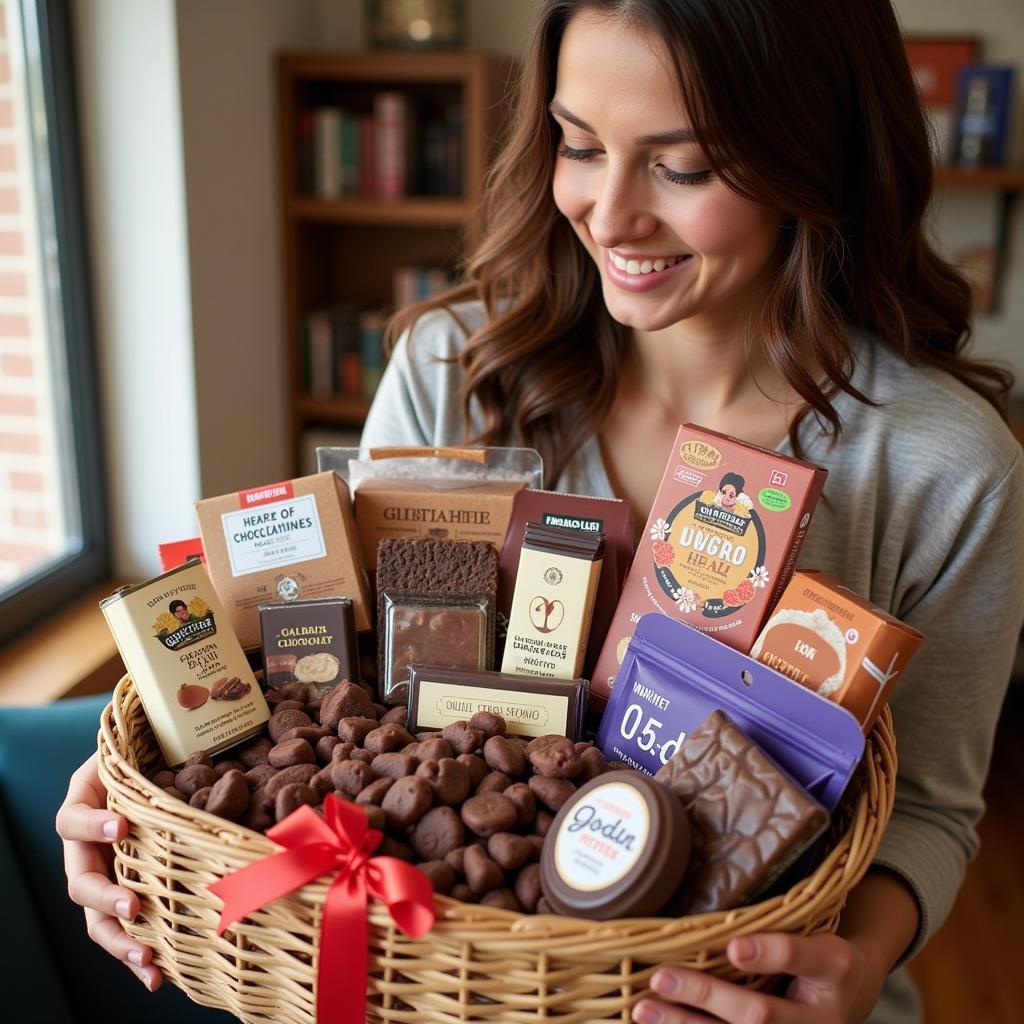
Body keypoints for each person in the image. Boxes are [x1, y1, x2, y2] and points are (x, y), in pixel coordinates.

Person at [56, 1, 1024, 1021]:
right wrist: (143, 779)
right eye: (578, 145)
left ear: (815, 156)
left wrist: (858, 963)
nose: (609, 214)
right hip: (435, 981)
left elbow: (924, 809)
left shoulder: (945, 466)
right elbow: (304, 650)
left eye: (681, 165)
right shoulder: (451, 373)